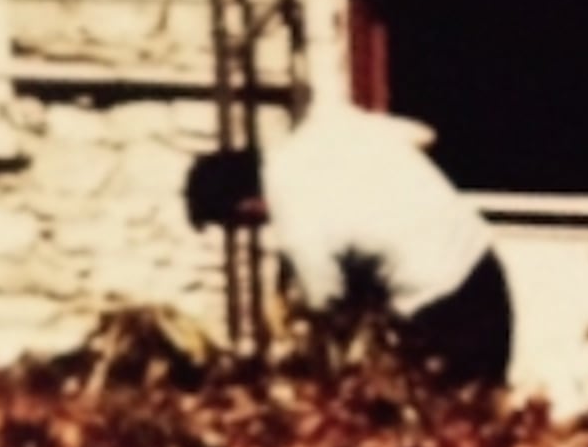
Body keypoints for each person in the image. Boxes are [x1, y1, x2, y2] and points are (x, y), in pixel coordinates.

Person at [184, 100, 513, 386]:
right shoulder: (329, 127)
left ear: (247, 207)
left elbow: (328, 317)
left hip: (441, 310)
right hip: (485, 268)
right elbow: (424, 134)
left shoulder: (298, 222)